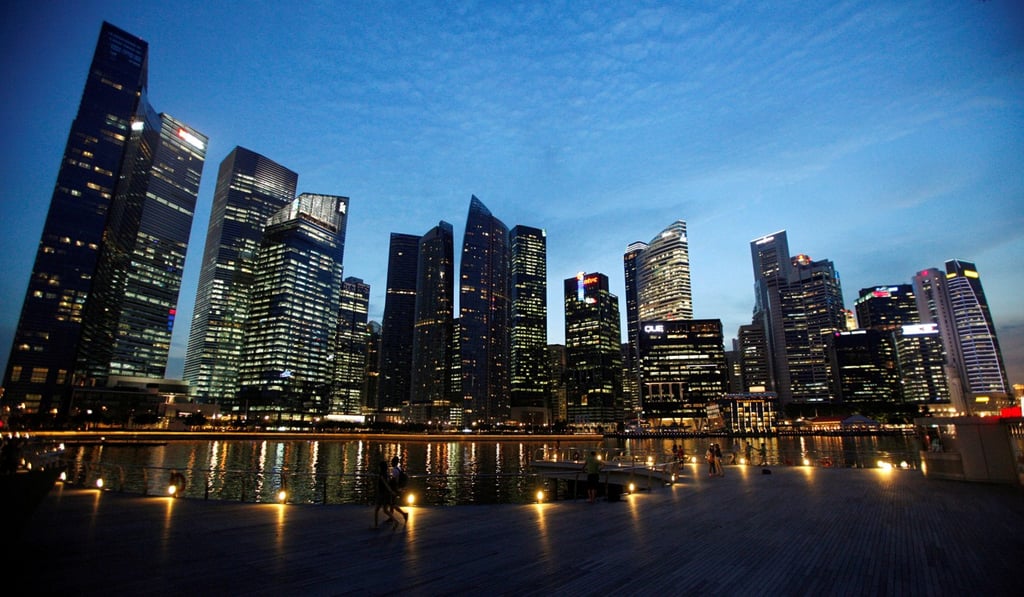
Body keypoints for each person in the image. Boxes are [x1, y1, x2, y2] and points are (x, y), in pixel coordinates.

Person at [374, 460, 397, 528]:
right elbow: (387, 483)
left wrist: (391, 491)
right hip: (386, 493)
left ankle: (376, 525)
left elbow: (385, 484)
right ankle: (395, 521)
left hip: (382, 493)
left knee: (377, 510)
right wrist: (391, 491)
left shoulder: (382, 474)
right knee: (385, 510)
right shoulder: (386, 474)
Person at [389, 456, 409, 523]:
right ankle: (391, 517)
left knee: (392, 503)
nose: (391, 463)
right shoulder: (399, 468)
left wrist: (395, 488)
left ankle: (403, 514)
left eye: (392, 462)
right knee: (392, 503)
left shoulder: (394, 470)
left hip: (395, 488)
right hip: (398, 487)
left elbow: (395, 479)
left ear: (394, 462)